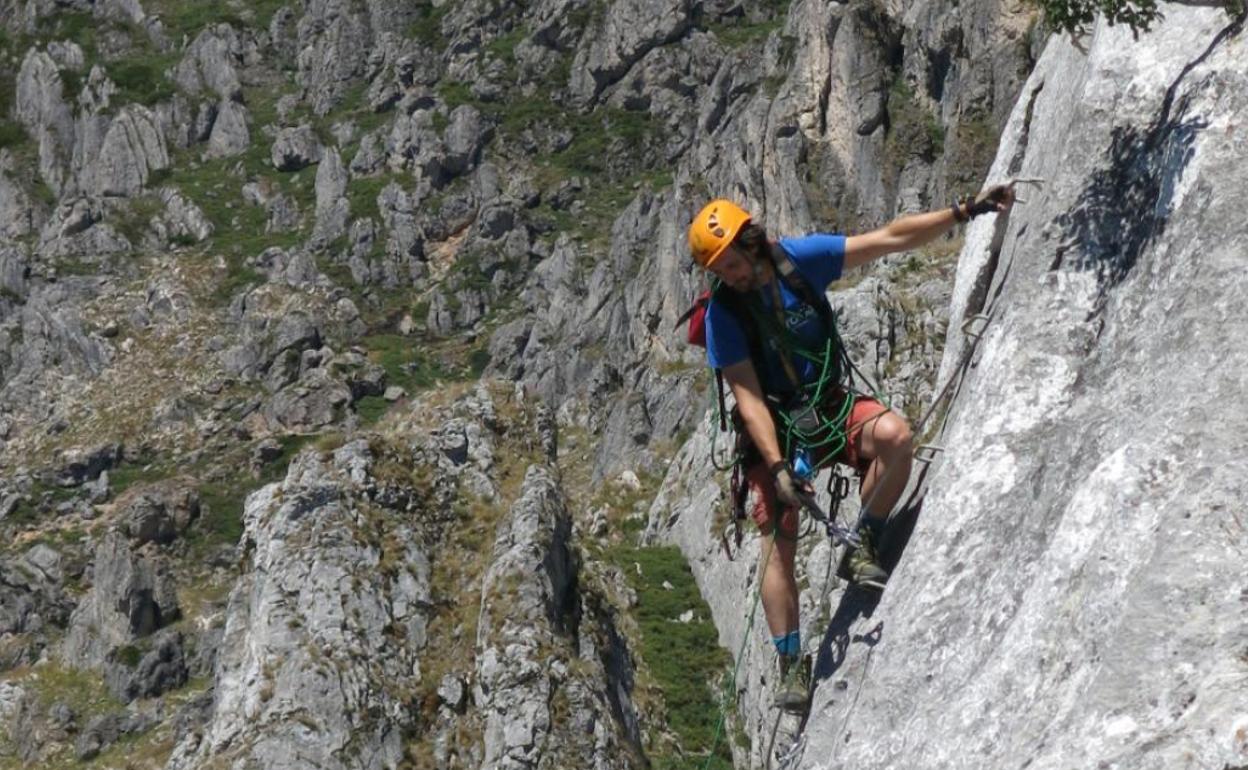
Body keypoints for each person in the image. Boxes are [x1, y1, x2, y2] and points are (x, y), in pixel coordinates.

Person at [686, 186, 1014, 713]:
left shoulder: (802, 259)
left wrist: (963, 211)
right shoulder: (726, 315)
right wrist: (776, 467)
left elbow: (888, 239)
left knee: (897, 438)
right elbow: (747, 400)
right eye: (720, 271)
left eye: (732, 264)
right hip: (775, 428)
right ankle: (791, 664)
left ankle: (864, 540)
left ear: (752, 241)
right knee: (777, 543)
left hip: (829, 404)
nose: (732, 277)